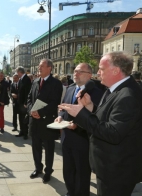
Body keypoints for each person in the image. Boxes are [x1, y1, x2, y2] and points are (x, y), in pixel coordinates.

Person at [58, 52, 142, 195]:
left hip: (117, 169)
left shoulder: (128, 94)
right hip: (109, 166)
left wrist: (81, 115)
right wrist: (90, 107)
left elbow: (113, 133)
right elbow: (107, 119)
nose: (98, 72)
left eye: (101, 69)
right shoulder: (115, 90)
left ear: (115, 71)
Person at [56, 63, 103, 196]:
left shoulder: (97, 93)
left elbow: (96, 117)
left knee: (82, 174)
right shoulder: (70, 89)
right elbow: (63, 108)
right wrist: (59, 117)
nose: (75, 73)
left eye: (79, 71)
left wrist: (78, 125)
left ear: (89, 75)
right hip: (66, 137)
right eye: (74, 71)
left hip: (82, 140)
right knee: (68, 171)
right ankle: (70, 192)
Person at [27, 59, 63, 183]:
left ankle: (48, 171)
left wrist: (40, 113)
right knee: (35, 146)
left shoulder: (56, 83)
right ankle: (38, 168)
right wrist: (31, 111)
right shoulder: (35, 81)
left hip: (47, 121)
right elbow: (29, 98)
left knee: (49, 148)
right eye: (39, 65)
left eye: (42, 66)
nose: (39, 67)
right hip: (34, 121)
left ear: (49, 68)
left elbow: (55, 103)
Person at [15, 66, 32, 139]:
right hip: (20, 102)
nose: (17, 74)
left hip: (24, 104)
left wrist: (26, 103)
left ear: (19, 72)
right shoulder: (21, 79)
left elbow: (28, 92)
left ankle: (25, 133)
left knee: (24, 119)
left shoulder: (26, 79)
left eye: (17, 72)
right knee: (20, 117)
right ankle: (21, 131)